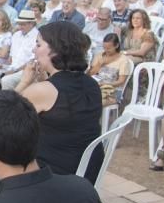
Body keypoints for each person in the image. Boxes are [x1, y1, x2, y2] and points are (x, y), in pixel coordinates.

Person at [15, 21, 103, 181]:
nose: (34, 50)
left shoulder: (44, 90)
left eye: (38, 44)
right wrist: (44, 80)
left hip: (54, 174)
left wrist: (25, 82)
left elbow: (1, 119)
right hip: (85, 169)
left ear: (55, 51)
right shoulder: (91, 84)